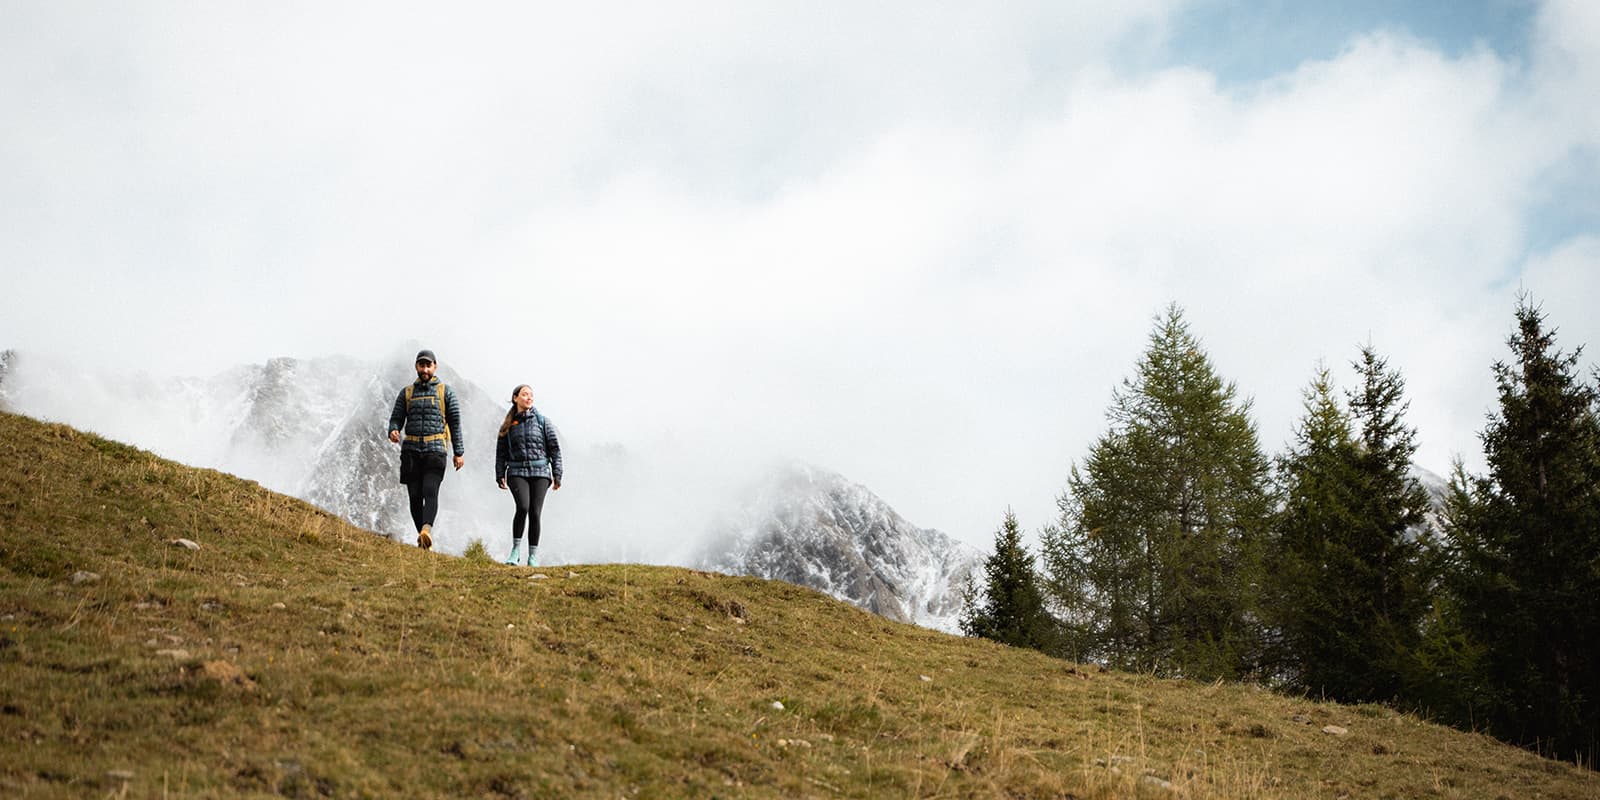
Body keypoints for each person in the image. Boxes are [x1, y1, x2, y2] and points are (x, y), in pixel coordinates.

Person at [386, 349, 464, 549]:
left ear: (435, 367)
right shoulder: (407, 393)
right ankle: (423, 537)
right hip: (411, 450)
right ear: (416, 367)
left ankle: (426, 529)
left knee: (430, 490)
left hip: (436, 450)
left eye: (428, 365)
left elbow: (455, 423)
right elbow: (396, 418)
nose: (425, 369)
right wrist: (393, 430)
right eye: (421, 365)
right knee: (414, 496)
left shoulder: (446, 392)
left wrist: (459, 453)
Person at [494, 384, 562, 566]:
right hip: (516, 471)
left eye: (531, 395)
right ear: (515, 398)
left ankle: (532, 556)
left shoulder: (543, 421)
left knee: (535, 512)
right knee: (523, 507)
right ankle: (515, 551)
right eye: (524, 395)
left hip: (540, 472)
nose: (529, 398)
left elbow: (554, 448)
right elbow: (500, 452)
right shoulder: (508, 425)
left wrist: (557, 473)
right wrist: (499, 473)